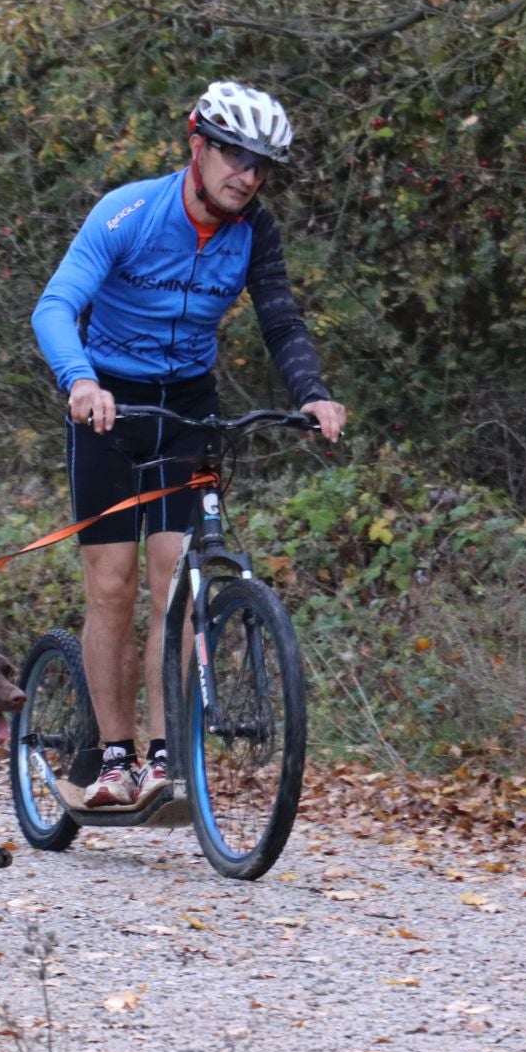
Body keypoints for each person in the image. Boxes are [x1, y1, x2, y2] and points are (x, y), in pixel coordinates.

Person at [31, 81, 347, 808]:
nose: (248, 175)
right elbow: (56, 305)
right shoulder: (131, 212)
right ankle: (113, 758)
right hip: (109, 404)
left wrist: (313, 392)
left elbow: (280, 318)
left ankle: (168, 758)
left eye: (262, 164)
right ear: (197, 147)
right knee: (112, 585)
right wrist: (80, 381)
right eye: (236, 155)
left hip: (187, 407)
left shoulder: (252, 230)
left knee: (177, 585)